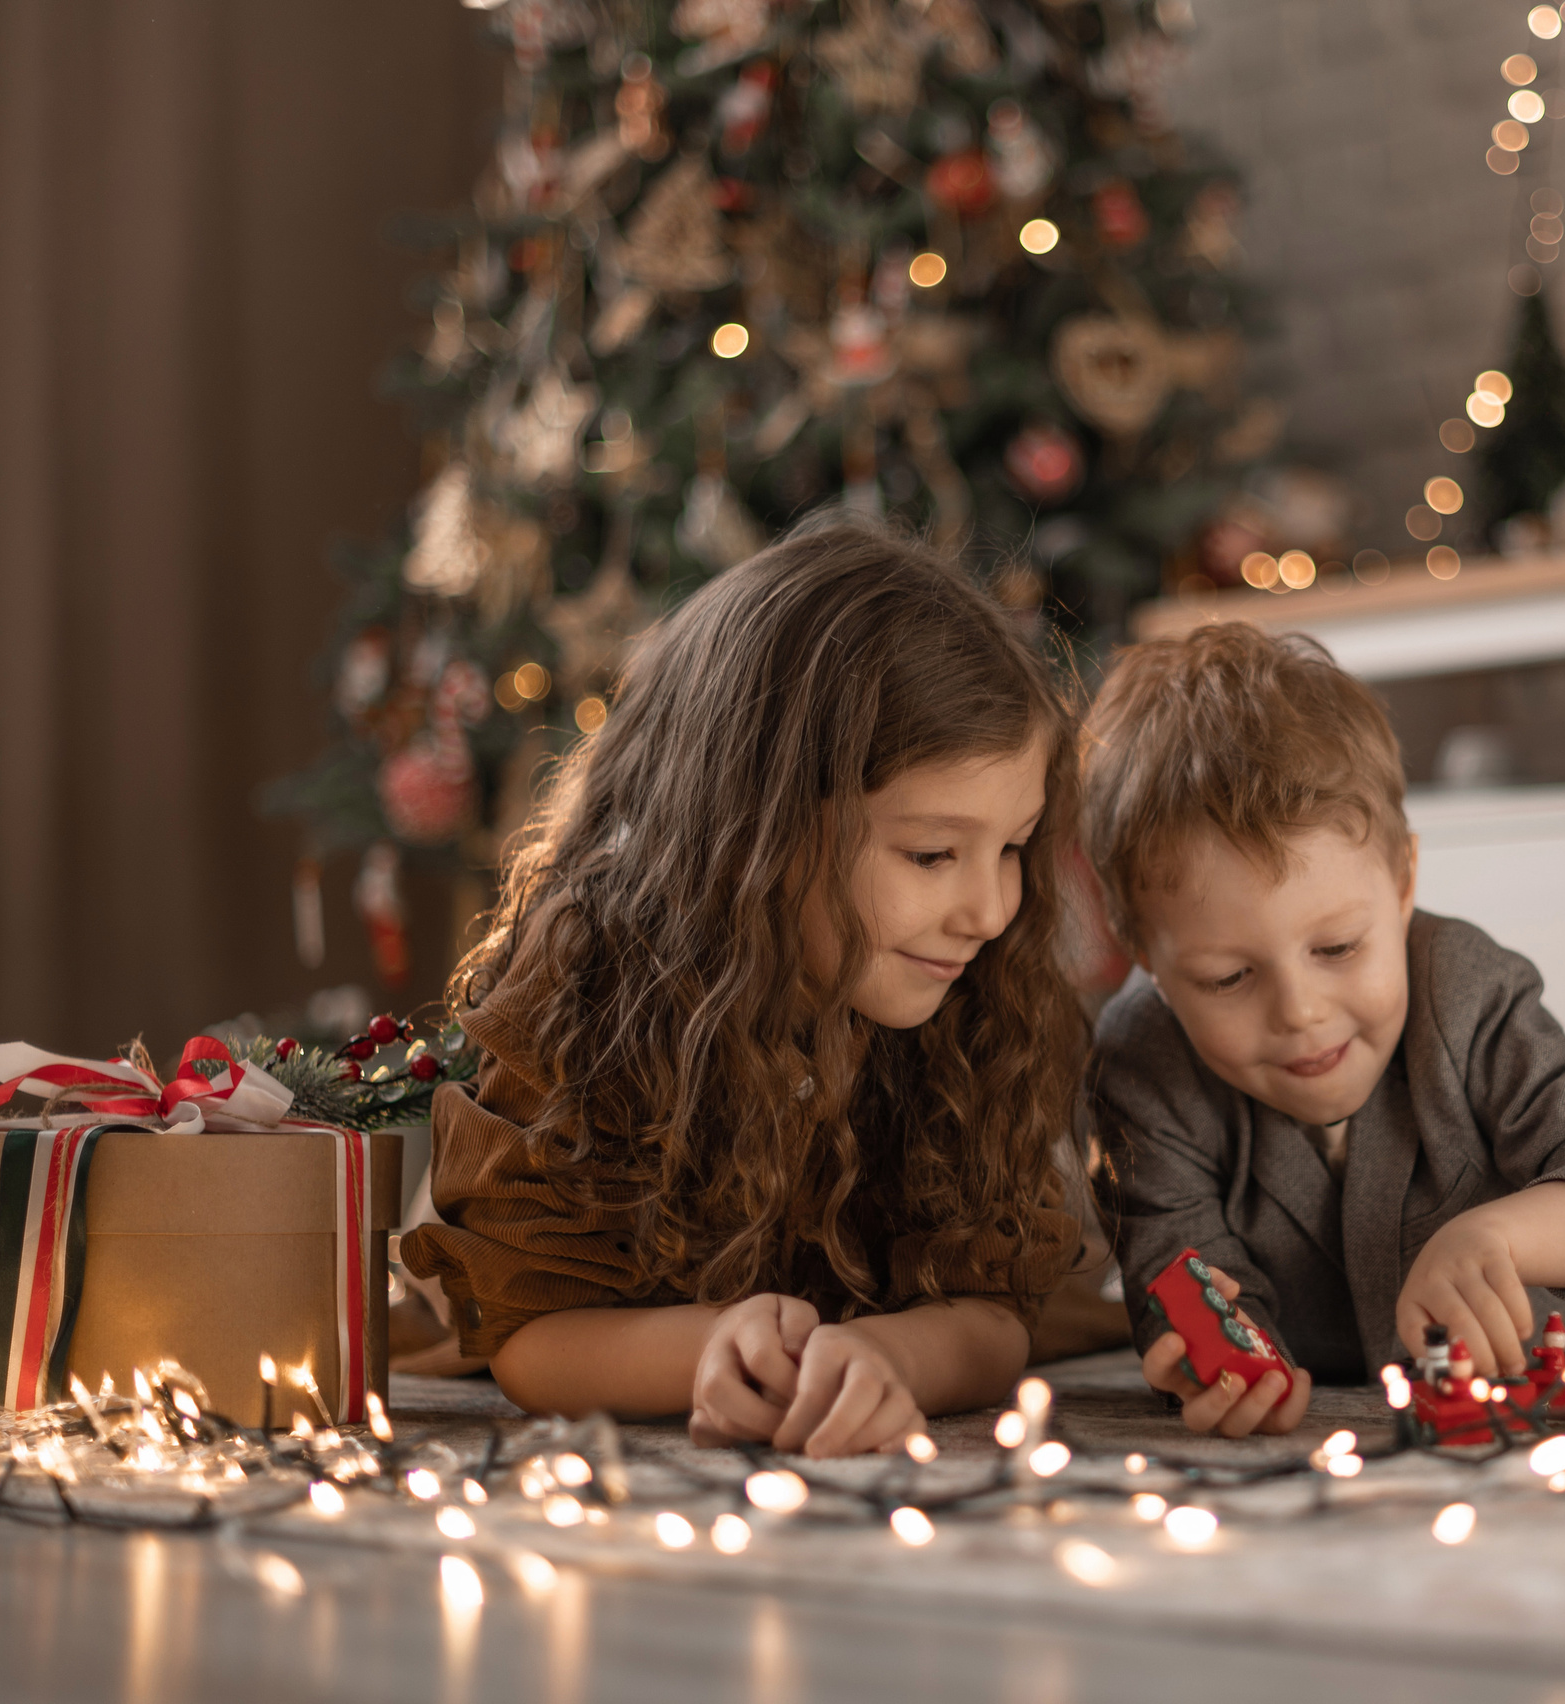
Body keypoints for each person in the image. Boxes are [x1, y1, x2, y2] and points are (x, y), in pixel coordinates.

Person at [400, 522, 1089, 1457]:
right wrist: (715, 1353)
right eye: (932, 854)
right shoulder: (590, 978)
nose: (991, 911)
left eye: (1012, 849)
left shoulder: (972, 999)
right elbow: (528, 1335)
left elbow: (997, 1316)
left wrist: (882, 1356)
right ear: (753, 831)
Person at [1082, 623, 1565, 1438]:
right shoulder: (1140, 1058)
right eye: (1228, 978)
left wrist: (1500, 1235)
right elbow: (1179, 1269)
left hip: (1560, 1351)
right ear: (1146, 957)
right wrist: (1224, 1363)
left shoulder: (1465, 986)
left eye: (1339, 948)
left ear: (1404, 880)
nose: (1300, 1012)